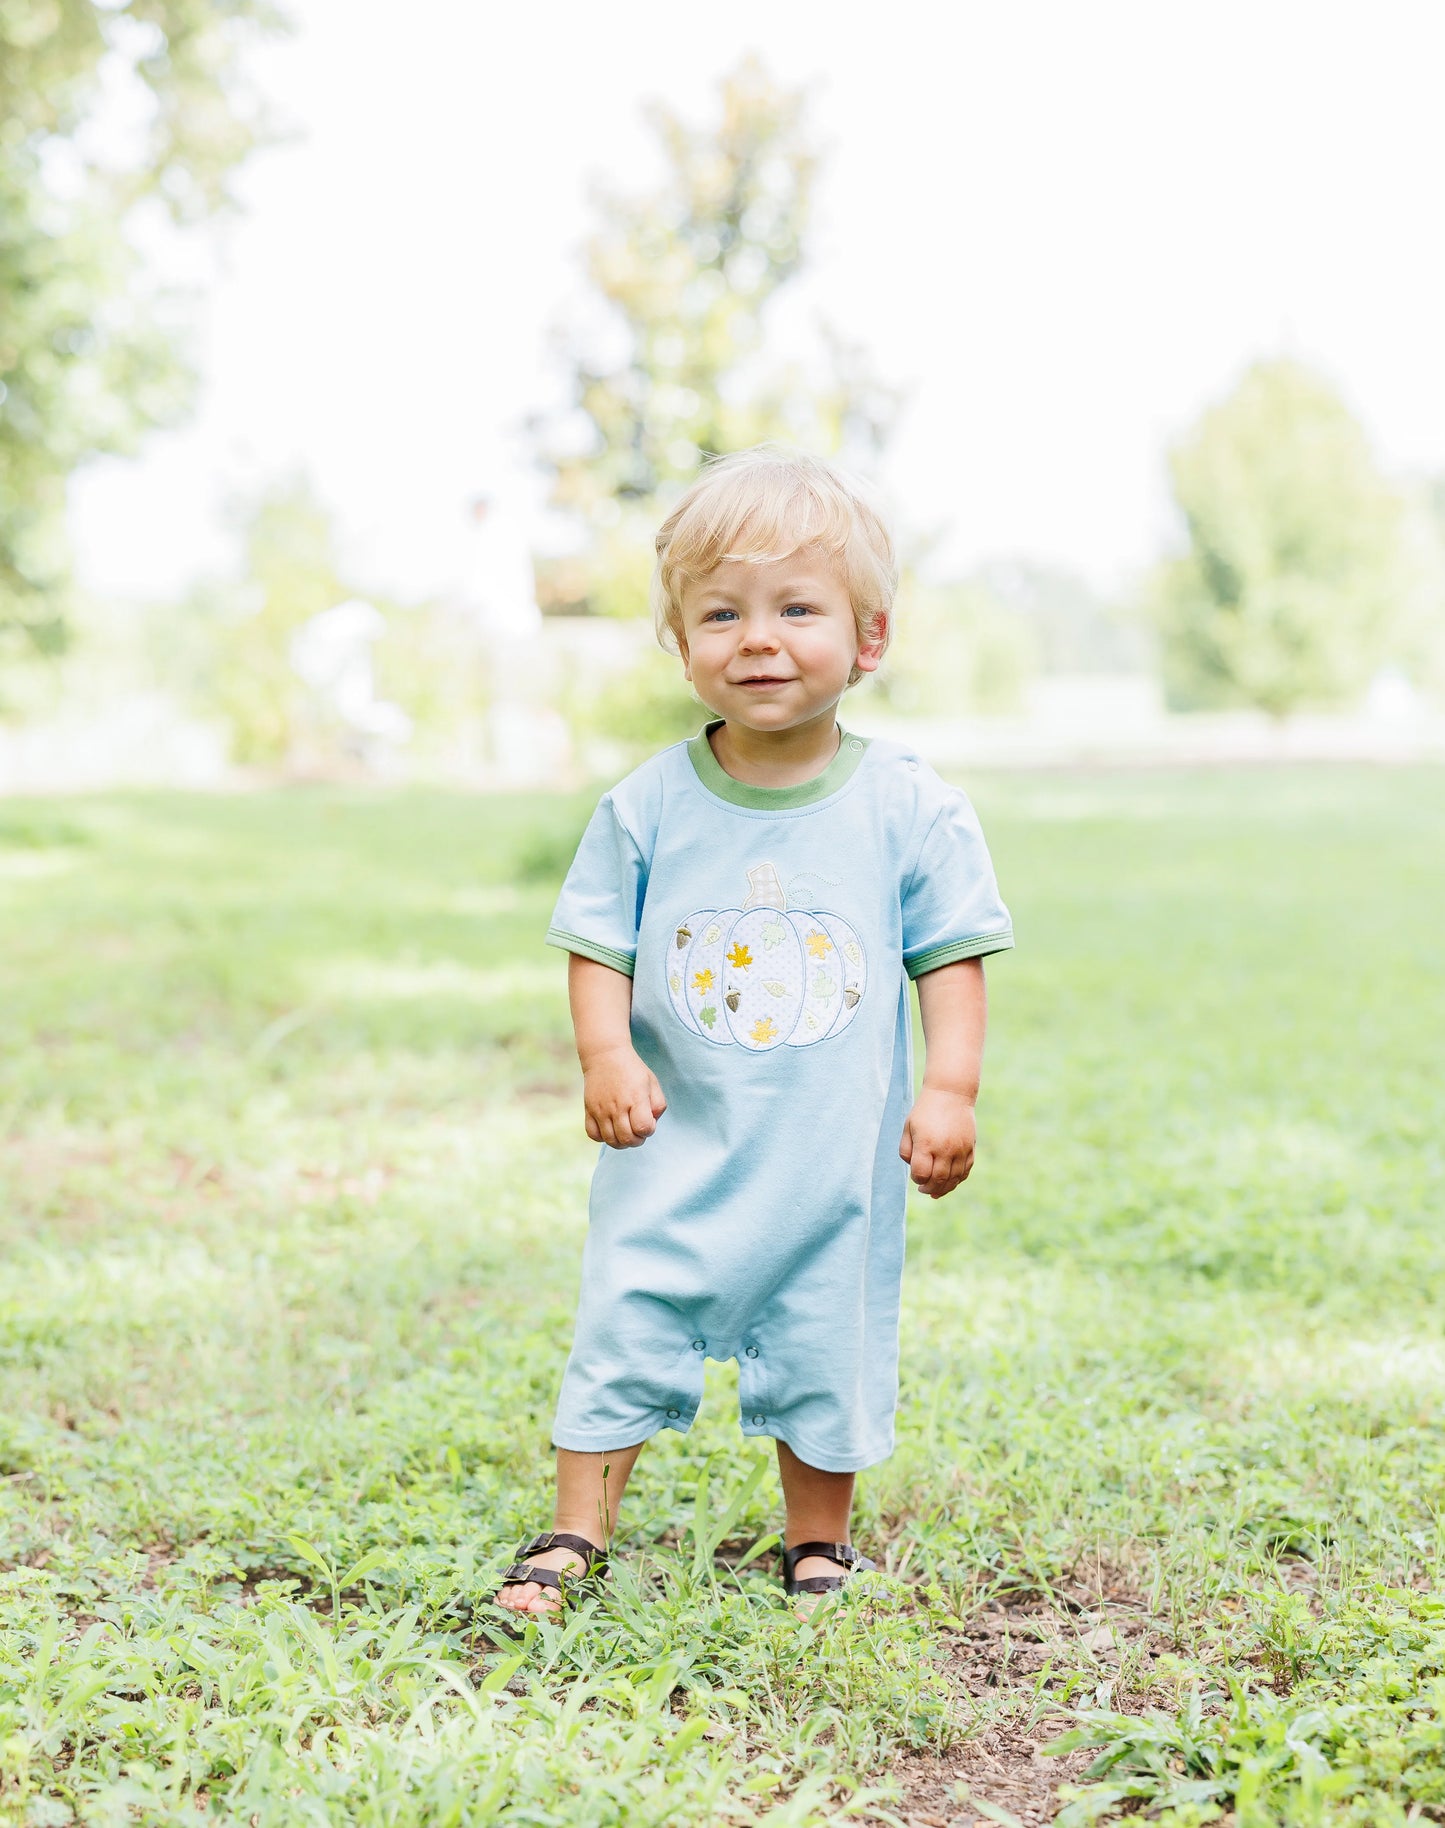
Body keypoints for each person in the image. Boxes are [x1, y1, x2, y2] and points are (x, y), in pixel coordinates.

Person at [494, 446, 1013, 1616]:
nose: (757, 638)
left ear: (866, 638)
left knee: (825, 1337)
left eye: (794, 609)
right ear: (681, 643)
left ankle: (814, 1540)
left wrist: (949, 1090)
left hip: (828, 1162)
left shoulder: (909, 807)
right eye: (719, 613)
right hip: (672, 1149)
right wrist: (606, 1054)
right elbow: (596, 944)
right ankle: (576, 1529)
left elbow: (952, 956)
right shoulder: (646, 803)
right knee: (624, 1311)